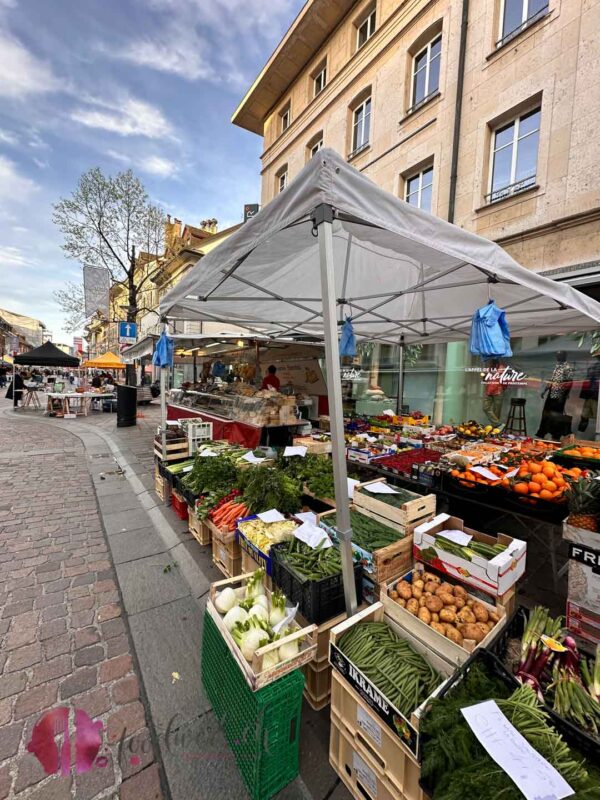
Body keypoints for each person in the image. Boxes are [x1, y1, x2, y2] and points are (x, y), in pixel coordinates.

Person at [536, 350, 574, 439]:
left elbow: (569, 383)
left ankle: (555, 435)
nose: (557, 357)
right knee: (546, 414)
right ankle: (542, 432)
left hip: (560, 395)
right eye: (557, 355)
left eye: (559, 355)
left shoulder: (567, 368)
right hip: (551, 393)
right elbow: (552, 380)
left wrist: (564, 395)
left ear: (564, 356)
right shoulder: (557, 366)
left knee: (557, 415)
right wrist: (545, 391)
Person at [578, 359, 600, 432]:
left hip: (596, 396)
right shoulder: (593, 365)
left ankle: (595, 437)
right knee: (584, 416)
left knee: (596, 417)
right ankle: (580, 433)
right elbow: (587, 379)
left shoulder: (593, 366)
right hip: (590, 395)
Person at [482, 359, 505, 427]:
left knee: (496, 411)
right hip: (489, 391)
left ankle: (496, 429)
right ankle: (498, 424)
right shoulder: (489, 368)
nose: (490, 361)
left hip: (498, 391)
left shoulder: (501, 368)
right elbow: (485, 379)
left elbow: (501, 379)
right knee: (485, 408)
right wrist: (484, 376)